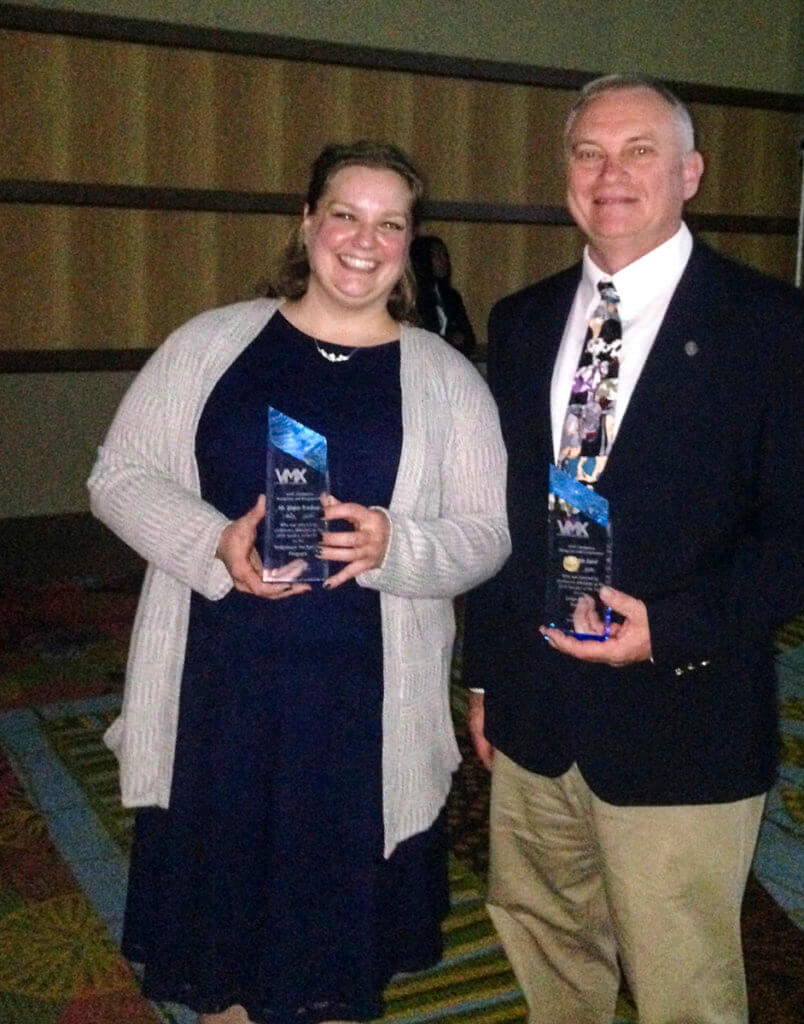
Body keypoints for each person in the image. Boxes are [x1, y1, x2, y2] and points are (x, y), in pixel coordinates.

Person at [462, 74, 804, 1024]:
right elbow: (502, 513)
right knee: (547, 953)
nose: (610, 174)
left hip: (682, 715)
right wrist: (483, 676)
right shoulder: (520, 322)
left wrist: (674, 627)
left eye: (638, 150)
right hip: (531, 713)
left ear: (689, 172)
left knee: (682, 985)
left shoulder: (777, 329)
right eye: (587, 153)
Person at [88, 139, 509, 1024]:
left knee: (336, 955)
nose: (364, 240)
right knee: (221, 939)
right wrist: (213, 545)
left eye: (389, 223)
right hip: (217, 700)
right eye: (345, 215)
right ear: (307, 221)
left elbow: (488, 535)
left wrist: (398, 545)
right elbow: (120, 475)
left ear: (409, 243)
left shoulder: (444, 378)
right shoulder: (212, 342)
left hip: (364, 716)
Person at [410, 234, 477, 357]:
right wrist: (450, 339)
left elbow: (468, 338)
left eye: (445, 255)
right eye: (437, 256)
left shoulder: (451, 296)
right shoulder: (411, 297)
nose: (444, 261)